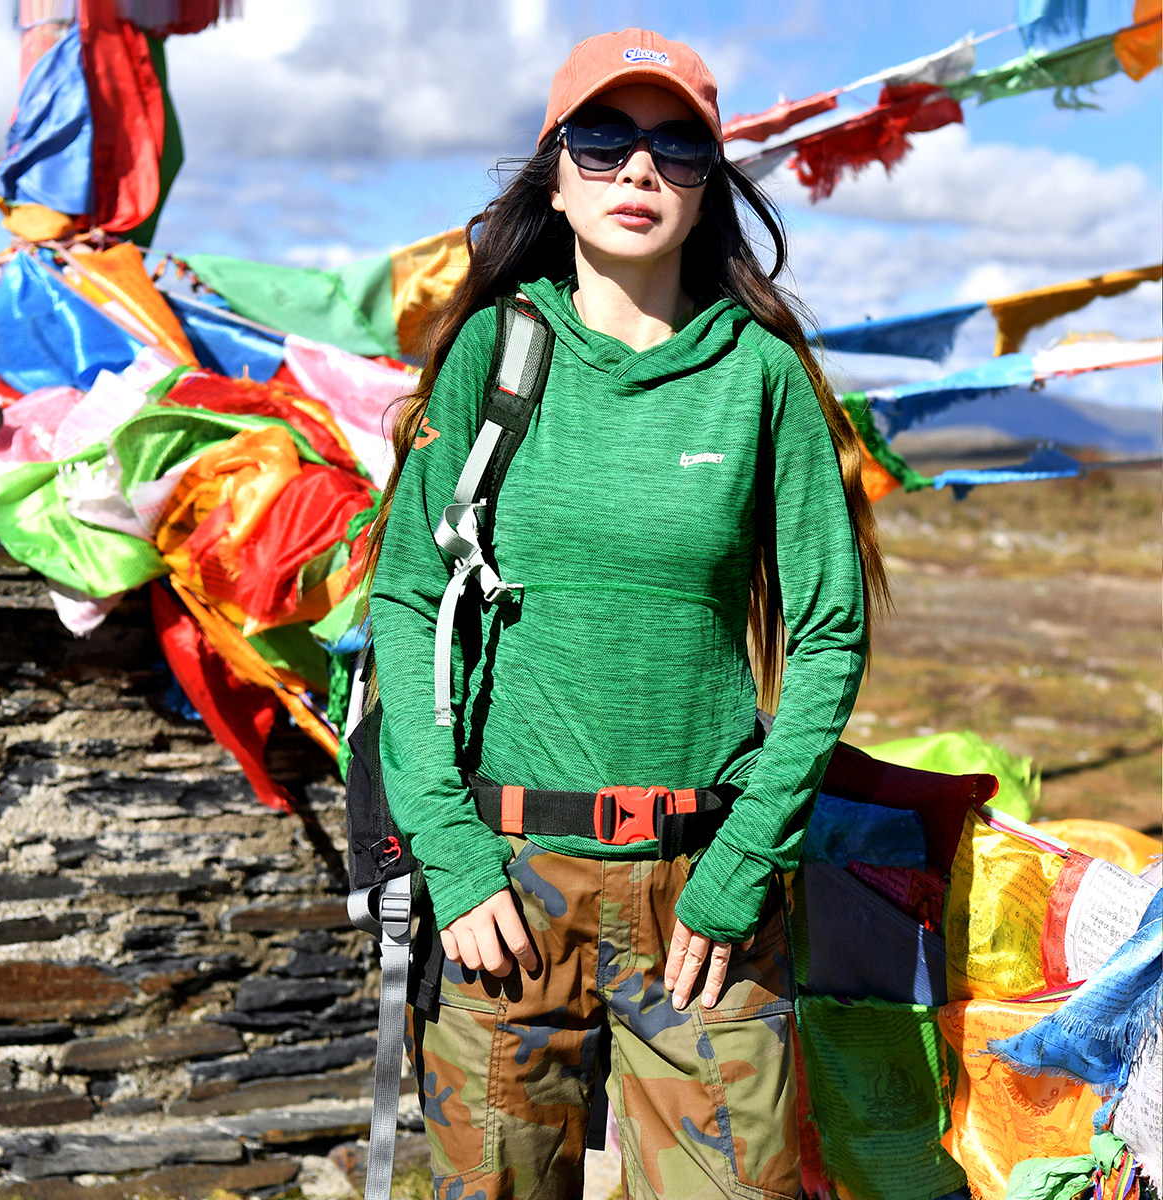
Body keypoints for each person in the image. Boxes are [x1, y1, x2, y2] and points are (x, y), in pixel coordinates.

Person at [364, 27, 888, 1200]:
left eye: (675, 147)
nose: (638, 172)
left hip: (706, 896)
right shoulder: (496, 354)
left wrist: (746, 861)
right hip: (507, 889)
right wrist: (451, 853)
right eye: (603, 143)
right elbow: (401, 597)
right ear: (556, 173)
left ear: (711, 185)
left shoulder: (761, 376)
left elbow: (830, 634)